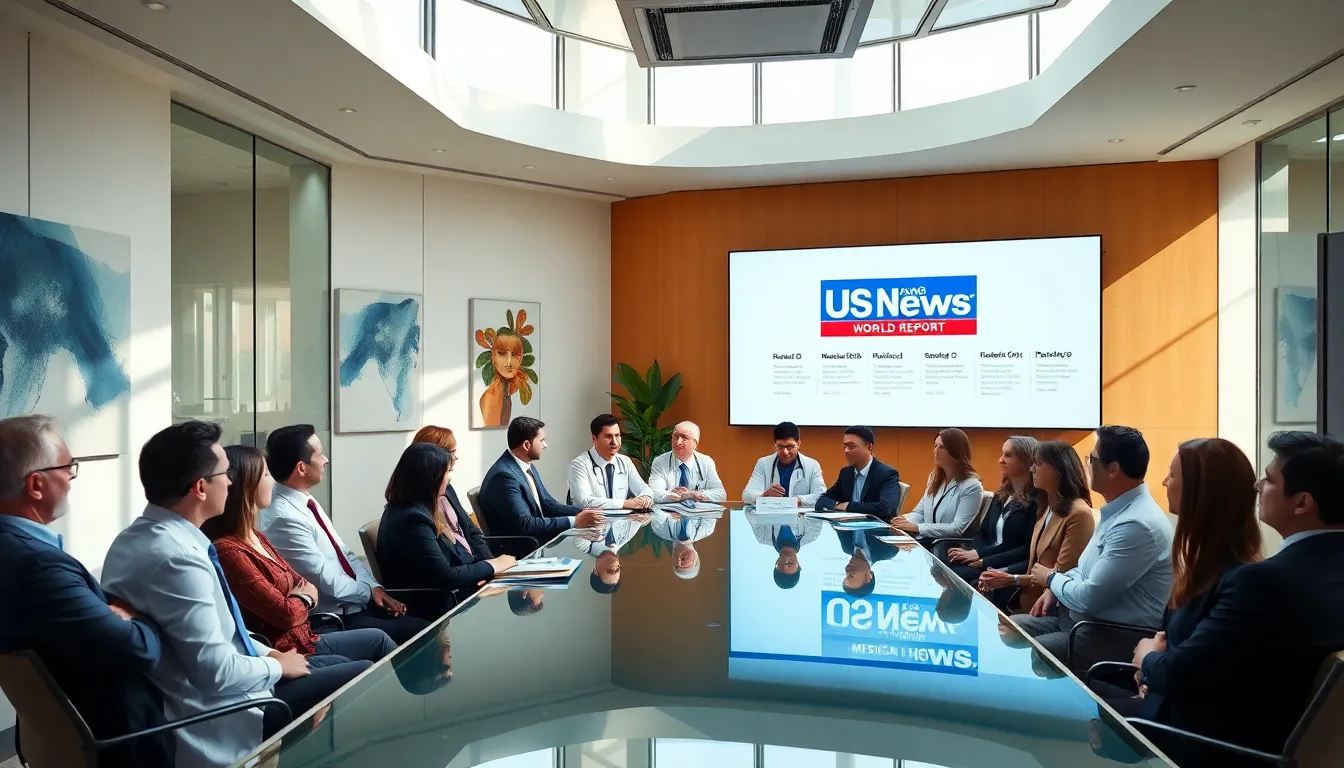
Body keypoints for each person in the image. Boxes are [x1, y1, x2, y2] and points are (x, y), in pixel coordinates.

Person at [101, 421, 369, 768]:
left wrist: (270, 652)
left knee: (343, 664)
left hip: (235, 679)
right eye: (225, 473)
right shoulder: (177, 560)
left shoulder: (140, 538)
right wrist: (274, 665)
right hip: (221, 714)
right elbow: (214, 672)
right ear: (200, 487)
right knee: (362, 674)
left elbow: (222, 632)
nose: (231, 481)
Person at [1130, 432, 1344, 766]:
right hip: (1254, 734)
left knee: (1082, 718)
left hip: (1208, 744)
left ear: (1302, 503)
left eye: (1270, 480)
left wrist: (1146, 659)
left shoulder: (1261, 581)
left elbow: (1181, 674)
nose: (1258, 487)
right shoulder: (1314, 572)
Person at [0, 416, 171, 767]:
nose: (71, 480)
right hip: (122, 741)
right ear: (36, 485)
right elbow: (137, 650)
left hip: (61, 735)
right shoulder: (39, 566)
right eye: (68, 468)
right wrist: (139, 618)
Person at [1091, 438, 1261, 717]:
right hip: (1162, 698)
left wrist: (1148, 659)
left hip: (1181, 725)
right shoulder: (1203, 565)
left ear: (1198, 490)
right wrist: (1152, 666)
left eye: (1172, 474)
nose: (1163, 482)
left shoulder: (1241, 581)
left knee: (1075, 711)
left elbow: (1184, 670)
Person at [203, 445, 397, 663]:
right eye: (266, 474)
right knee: (359, 665)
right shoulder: (230, 551)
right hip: (286, 652)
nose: (272, 481)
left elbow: (304, 582)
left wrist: (299, 598)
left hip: (306, 639)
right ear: (247, 486)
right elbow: (287, 614)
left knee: (379, 639)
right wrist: (303, 597)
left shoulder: (258, 537)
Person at [1013, 426, 1174, 670]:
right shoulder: (1118, 510)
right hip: (1080, 621)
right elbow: (1083, 570)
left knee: (1031, 654)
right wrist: (1057, 586)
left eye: (1092, 459)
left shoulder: (1136, 524)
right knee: (1007, 629)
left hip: (1111, 635)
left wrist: (1052, 579)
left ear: (1113, 470)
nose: (1087, 465)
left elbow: (1089, 598)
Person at [259, 424, 429, 645]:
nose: (325, 459)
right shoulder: (284, 517)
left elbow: (345, 554)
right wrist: (369, 593)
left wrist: (374, 587)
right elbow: (327, 580)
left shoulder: (305, 501)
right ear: (301, 468)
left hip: (356, 603)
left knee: (424, 621)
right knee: (423, 632)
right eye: (319, 454)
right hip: (336, 618)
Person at [378, 442, 517, 620]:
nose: (449, 478)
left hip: (457, 594)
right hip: (438, 605)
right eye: (446, 473)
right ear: (430, 479)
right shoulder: (413, 519)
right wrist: (493, 565)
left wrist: (482, 572)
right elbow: (445, 576)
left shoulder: (419, 508)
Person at [977, 440, 1094, 612]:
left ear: (1058, 470)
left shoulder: (1079, 514)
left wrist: (1011, 578)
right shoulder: (1046, 506)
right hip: (1028, 595)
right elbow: (1037, 569)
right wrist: (1008, 578)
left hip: (1048, 606)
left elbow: (1059, 576)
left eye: (1037, 464)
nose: (1032, 469)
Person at [480, 416, 603, 539]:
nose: (545, 445)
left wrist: (583, 512)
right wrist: (575, 521)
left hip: (539, 537)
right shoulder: (504, 477)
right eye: (541, 440)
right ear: (527, 445)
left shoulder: (526, 466)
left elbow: (548, 504)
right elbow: (525, 524)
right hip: (523, 546)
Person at [945, 436, 1039, 587]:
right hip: (987, 560)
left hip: (1009, 566)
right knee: (947, 566)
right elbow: (981, 533)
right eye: (1002, 454)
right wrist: (975, 554)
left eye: (1008, 455)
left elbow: (1025, 549)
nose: (1001, 460)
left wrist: (982, 558)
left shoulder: (1036, 501)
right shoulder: (1001, 495)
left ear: (1026, 460)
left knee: (964, 577)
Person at [891, 428, 984, 541]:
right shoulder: (934, 477)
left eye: (942, 447)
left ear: (955, 451)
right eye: (935, 446)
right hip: (926, 540)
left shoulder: (972, 486)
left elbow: (957, 528)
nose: (936, 450)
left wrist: (917, 528)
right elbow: (920, 512)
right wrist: (904, 522)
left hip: (946, 547)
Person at [566, 414, 659, 510]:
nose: (615, 442)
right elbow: (584, 501)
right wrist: (624, 503)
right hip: (593, 522)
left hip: (622, 521)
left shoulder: (625, 461)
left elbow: (644, 489)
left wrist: (646, 497)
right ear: (594, 439)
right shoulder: (579, 464)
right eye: (608, 436)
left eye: (617, 435)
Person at [815, 426, 902, 520]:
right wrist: (838, 505)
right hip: (847, 528)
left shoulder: (887, 474)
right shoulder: (846, 473)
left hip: (874, 528)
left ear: (869, 448)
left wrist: (847, 506)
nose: (846, 451)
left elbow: (884, 508)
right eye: (845, 446)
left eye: (852, 447)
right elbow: (823, 500)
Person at [742, 422, 826, 507]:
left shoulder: (812, 465)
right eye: (781, 447)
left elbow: (821, 496)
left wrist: (793, 501)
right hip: (771, 518)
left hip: (800, 518)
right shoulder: (764, 463)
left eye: (790, 446)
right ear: (775, 445)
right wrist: (763, 496)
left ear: (798, 444)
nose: (785, 452)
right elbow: (746, 495)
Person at [647, 421, 728, 503]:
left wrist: (693, 494)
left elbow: (720, 495)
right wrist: (676, 496)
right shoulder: (660, 461)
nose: (678, 442)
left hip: (698, 514)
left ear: (695, 443)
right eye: (675, 437)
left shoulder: (706, 462)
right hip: (669, 514)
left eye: (684, 438)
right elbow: (654, 493)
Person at [746, 509, 824, 589]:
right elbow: (817, 509)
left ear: (777, 563)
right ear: (799, 565)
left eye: (785, 563)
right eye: (791, 562)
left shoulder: (763, 536)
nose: (788, 557)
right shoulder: (811, 534)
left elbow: (749, 511)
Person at [572, 516, 650, 594]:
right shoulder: (627, 537)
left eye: (610, 571)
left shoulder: (582, 544)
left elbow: (587, 516)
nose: (615, 566)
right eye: (617, 570)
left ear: (596, 571)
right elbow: (643, 514)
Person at [651, 508, 717, 579]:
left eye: (676, 565)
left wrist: (669, 512)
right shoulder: (706, 530)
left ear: (672, 559)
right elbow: (711, 507)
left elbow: (656, 509)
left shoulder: (660, 531)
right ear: (696, 558)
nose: (679, 561)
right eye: (683, 562)